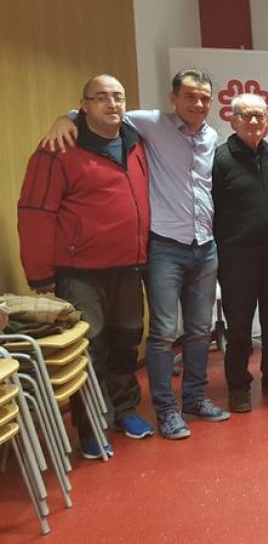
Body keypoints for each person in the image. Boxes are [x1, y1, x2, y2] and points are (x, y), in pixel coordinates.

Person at [42, 68, 230, 440]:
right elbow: (101, 111)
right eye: (190, 96)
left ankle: (193, 398)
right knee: (162, 333)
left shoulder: (211, 136)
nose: (198, 104)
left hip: (205, 247)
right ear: (173, 99)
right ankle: (166, 410)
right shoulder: (151, 123)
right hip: (165, 248)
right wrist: (65, 118)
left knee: (198, 331)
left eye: (205, 97)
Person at [19, 74, 153, 454]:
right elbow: (34, 212)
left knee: (126, 342)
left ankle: (124, 408)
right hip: (80, 273)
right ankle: (91, 424)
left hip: (129, 266)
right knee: (89, 349)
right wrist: (40, 274)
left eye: (118, 97)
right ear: (84, 105)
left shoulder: (135, 142)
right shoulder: (57, 149)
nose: (112, 105)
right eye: (101, 98)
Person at [212, 93, 268, 414]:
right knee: (239, 327)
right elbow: (212, 210)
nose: (253, 122)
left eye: (259, 116)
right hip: (237, 259)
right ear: (232, 120)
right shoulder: (219, 159)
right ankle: (238, 385)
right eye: (246, 116)